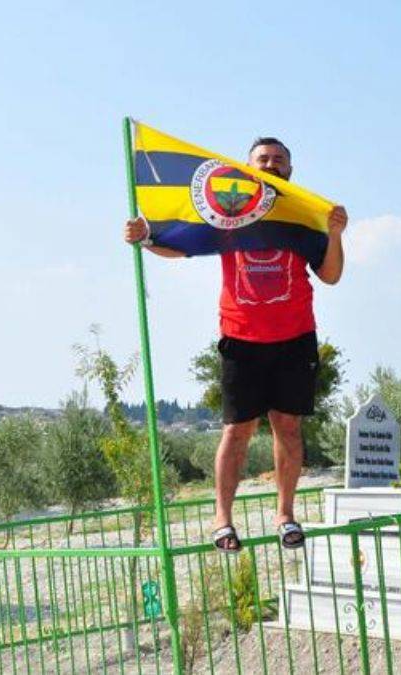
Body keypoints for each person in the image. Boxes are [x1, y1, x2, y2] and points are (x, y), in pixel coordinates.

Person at [123, 136, 348, 553]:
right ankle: (222, 519)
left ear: (290, 170)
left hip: (295, 338)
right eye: (263, 159)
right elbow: (183, 242)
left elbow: (331, 275)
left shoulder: (305, 214)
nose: (271, 164)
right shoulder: (230, 211)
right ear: (248, 167)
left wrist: (334, 234)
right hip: (241, 338)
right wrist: (145, 236)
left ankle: (285, 515)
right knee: (237, 431)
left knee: (289, 428)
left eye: (279, 159)